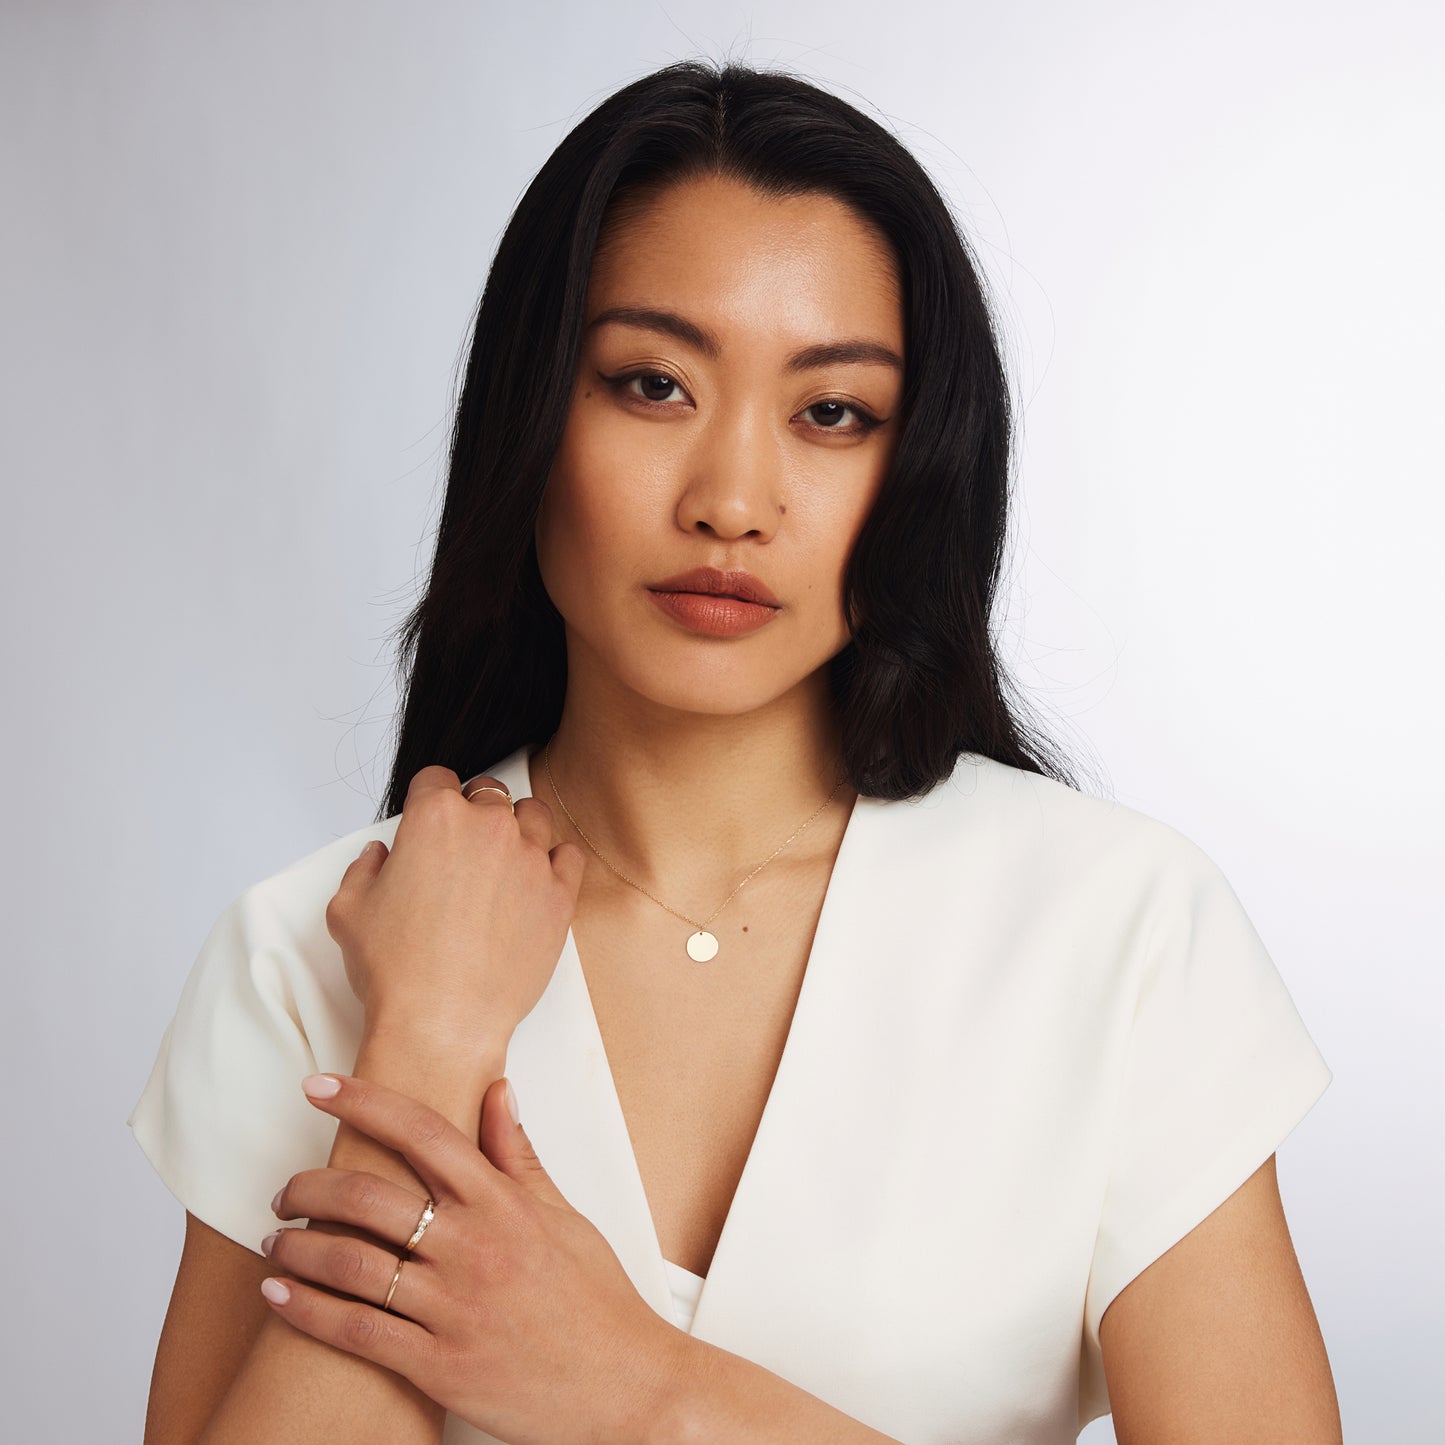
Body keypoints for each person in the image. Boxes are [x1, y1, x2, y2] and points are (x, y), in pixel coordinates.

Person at [129, 60, 1342, 1444]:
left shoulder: (1117, 933)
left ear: (917, 469)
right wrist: (424, 1045)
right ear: (531, 419)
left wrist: (635, 1384)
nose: (731, 500)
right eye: (652, 385)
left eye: (832, 413)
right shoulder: (308, 953)